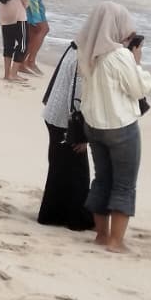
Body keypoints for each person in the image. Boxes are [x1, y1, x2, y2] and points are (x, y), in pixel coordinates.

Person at [77, 1, 151, 253]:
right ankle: (115, 241)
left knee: (102, 179)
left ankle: (101, 235)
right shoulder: (119, 55)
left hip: (93, 125)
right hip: (120, 126)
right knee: (124, 183)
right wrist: (137, 61)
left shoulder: (87, 52)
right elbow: (138, 89)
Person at [38, 42, 95, 231]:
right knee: (77, 172)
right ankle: (75, 219)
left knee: (59, 168)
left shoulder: (78, 44)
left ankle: (52, 215)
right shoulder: (88, 52)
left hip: (55, 113)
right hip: (65, 120)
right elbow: (78, 92)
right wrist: (80, 133)